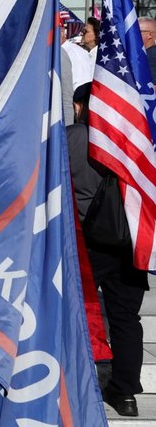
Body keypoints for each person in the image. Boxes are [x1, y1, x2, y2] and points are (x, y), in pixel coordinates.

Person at [67, 85, 145, 417]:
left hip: (85, 241)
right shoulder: (138, 142)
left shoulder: (71, 137)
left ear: (81, 105)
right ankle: (125, 393)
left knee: (68, 311)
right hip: (131, 244)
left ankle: (69, 382)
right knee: (126, 319)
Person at [138, 16, 156, 84]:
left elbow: (152, 89)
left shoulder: (152, 57)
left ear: (149, 35)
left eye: (136, 31)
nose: (132, 35)